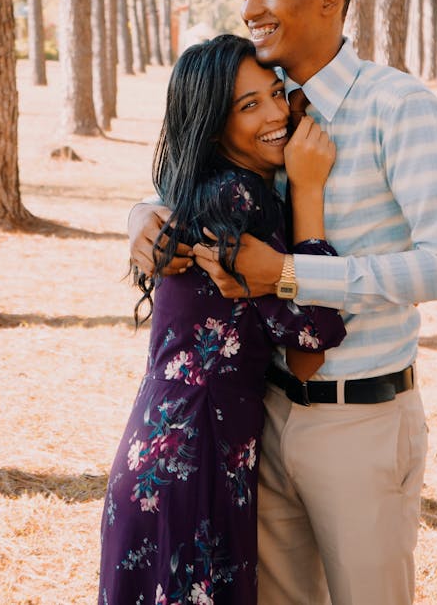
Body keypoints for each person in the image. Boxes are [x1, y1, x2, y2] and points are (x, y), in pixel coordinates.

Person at [128, 0, 437, 605]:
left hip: (360, 422)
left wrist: (290, 273)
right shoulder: (266, 106)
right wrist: (143, 212)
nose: (251, 9)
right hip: (262, 417)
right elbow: (201, 172)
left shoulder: (397, 106)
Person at [99, 34, 346, 605]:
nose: (278, 114)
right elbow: (313, 341)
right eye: (248, 105)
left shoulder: (200, 193)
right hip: (198, 460)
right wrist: (309, 192)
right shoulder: (240, 200)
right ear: (213, 128)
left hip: (155, 453)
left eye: (277, 94)